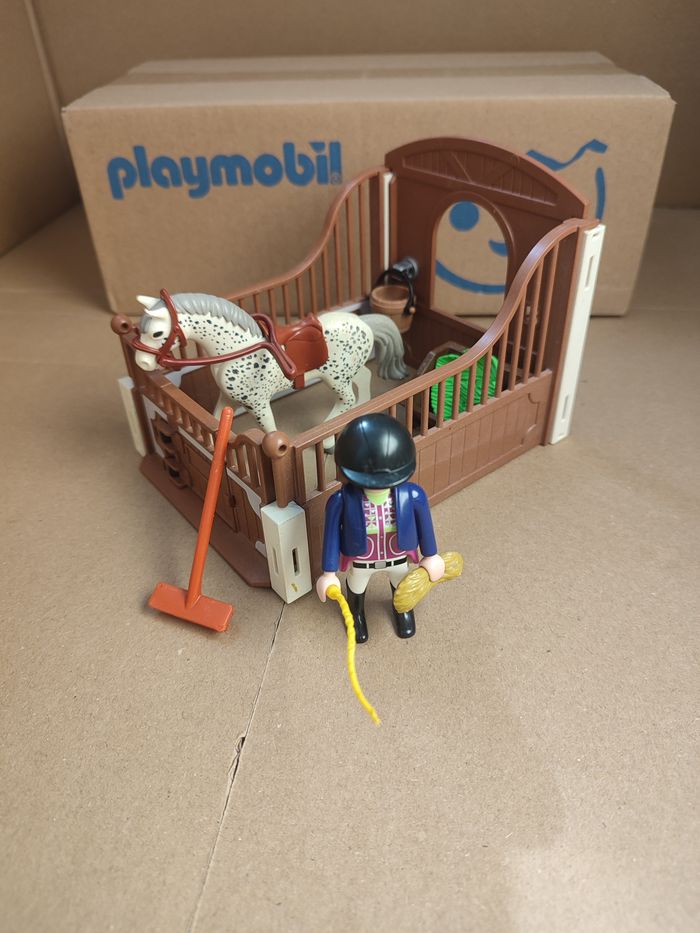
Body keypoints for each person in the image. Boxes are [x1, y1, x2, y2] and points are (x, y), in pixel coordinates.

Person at [316, 413, 445, 642]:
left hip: (398, 554)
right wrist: (329, 572)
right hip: (361, 558)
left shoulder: (413, 495)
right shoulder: (341, 500)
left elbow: (425, 525)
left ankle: (402, 609)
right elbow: (331, 537)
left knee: (400, 583)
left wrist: (431, 555)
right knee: (357, 585)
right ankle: (356, 614)